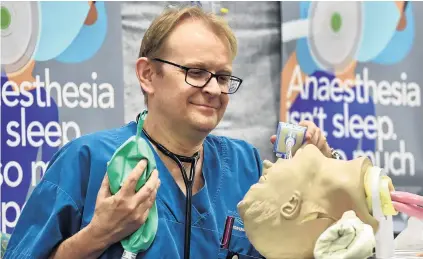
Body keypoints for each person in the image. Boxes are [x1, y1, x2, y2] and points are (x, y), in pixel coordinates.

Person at [4, 5, 333, 259]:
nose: (214, 89)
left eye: (222, 77)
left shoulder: (244, 165)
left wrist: (318, 173)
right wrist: (98, 235)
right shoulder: (88, 161)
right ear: (148, 75)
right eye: (196, 72)